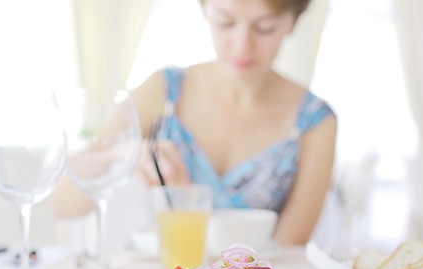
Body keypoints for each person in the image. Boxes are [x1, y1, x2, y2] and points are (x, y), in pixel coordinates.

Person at [54, 0, 337, 246]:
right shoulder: (163, 91)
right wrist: (122, 155)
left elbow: (288, 249)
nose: (242, 45)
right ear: (205, 10)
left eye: (264, 28)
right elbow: (63, 202)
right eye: (225, 22)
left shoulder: (315, 121)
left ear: (293, 21)